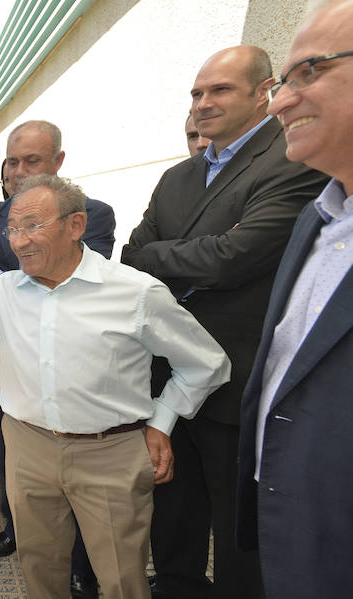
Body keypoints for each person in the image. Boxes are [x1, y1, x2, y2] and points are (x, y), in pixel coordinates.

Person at [0, 174, 230, 598]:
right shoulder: (6, 292)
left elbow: (206, 363)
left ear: (75, 226)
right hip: (27, 448)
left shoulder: (134, 292)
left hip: (110, 453)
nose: (18, 241)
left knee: (122, 578)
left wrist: (162, 421)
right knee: (39, 569)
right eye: (12, 229)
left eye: (32, 225)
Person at [121, 45, 330, 599]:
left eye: (220, 90)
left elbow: (235, 257)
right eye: (196, 93)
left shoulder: (291, 160)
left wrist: (176, 257)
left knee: (239, 531)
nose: (203, 103)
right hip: (166, 376)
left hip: (235, 382)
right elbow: (131, 254)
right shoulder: (176, 178)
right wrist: (197, 257)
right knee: (173, 511)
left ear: (264, 92)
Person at [0, 119, 114, 598]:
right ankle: (18, 531)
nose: (17, 171)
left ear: (58, 162)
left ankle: (82, 567)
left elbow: (66, 290)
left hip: (71, 375)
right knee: (10, 462)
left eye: (30, 161)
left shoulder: (90, 215)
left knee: (73, 480)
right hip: (6, 374)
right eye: (11, 162)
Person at [237, 3, 353, 597]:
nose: (279, 102)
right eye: (284, 81)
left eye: (311, 72)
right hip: (290, 530)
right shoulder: (319, 218)